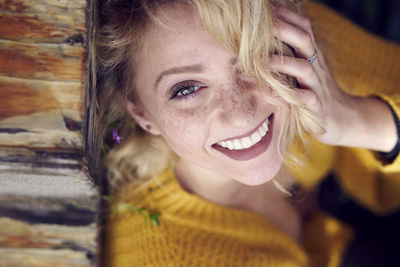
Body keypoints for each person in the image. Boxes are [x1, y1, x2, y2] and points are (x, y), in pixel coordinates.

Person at [97, 0, 400, 266]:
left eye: (254, 57)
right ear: (142, 113)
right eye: (186, 89)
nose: (241, 115)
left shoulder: (300, 49)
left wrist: (356, 119)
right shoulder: (179, 257)